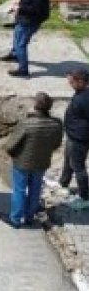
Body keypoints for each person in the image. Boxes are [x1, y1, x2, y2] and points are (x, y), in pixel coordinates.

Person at [0, 92, 62, 228]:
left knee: (19, 190)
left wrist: (13, 154)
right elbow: (56, 143)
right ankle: (29, 217)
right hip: (42, 162)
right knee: (35, 189)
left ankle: (15, 219)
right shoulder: (56, 124)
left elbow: (11, 145)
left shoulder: (26, 123)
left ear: (35, 105)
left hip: (22, 162)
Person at [0, 0, 49, 77]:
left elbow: (36, 9)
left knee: (21, 43)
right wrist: (19, 1)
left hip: (30, 20)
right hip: (24, 17)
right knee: (17, 34)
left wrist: (20, 8)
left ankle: (23, 69)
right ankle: (14, 54)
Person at [57, 68, 89, 210]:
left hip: (80, 138)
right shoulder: (81, 93)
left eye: (72, 82)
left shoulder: (84, 99)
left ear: (81, 82)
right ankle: (63, 183)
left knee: (78, 167)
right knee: (68, 160)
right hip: (73, 135)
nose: (70, 84)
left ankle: (84, 196)